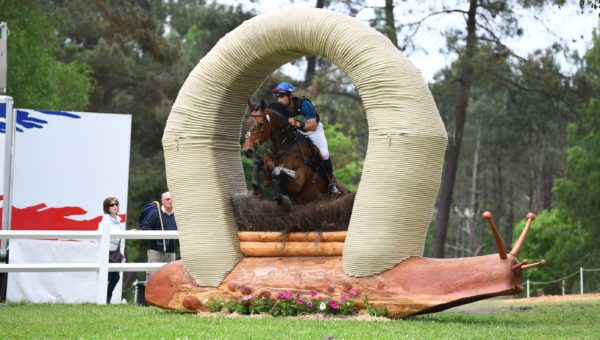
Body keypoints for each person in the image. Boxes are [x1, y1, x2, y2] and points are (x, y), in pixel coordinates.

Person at [272, 81, 341, 195]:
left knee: (324, 153)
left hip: (314, 131)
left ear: (290, 95)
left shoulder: (303, 104)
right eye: (277, 97)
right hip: (297, 132)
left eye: (282, 96)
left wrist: (296, 124)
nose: (279, 100)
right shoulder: (282, 109)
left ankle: (331, 181)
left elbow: (312, 126)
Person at [139, 191, 178, 280]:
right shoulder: (155, 213)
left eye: (172, 199)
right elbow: (145, 227)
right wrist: (158, 237)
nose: (170, 201)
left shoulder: (177, 215)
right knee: (153, 277)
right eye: (167, 199)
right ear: (162, 201)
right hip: (155, 251)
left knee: (170, 278)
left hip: (171, 251)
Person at [102, 196, 124, 304]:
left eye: (116, 204)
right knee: (112, 276)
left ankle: (106, 297)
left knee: (114, 277)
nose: (115, 206)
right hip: (107, 251)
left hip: (116, 251)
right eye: (112, 205)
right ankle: (105, 298)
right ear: (107, 207)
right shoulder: (105, 220)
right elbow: (113, 233)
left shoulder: (119, 220)